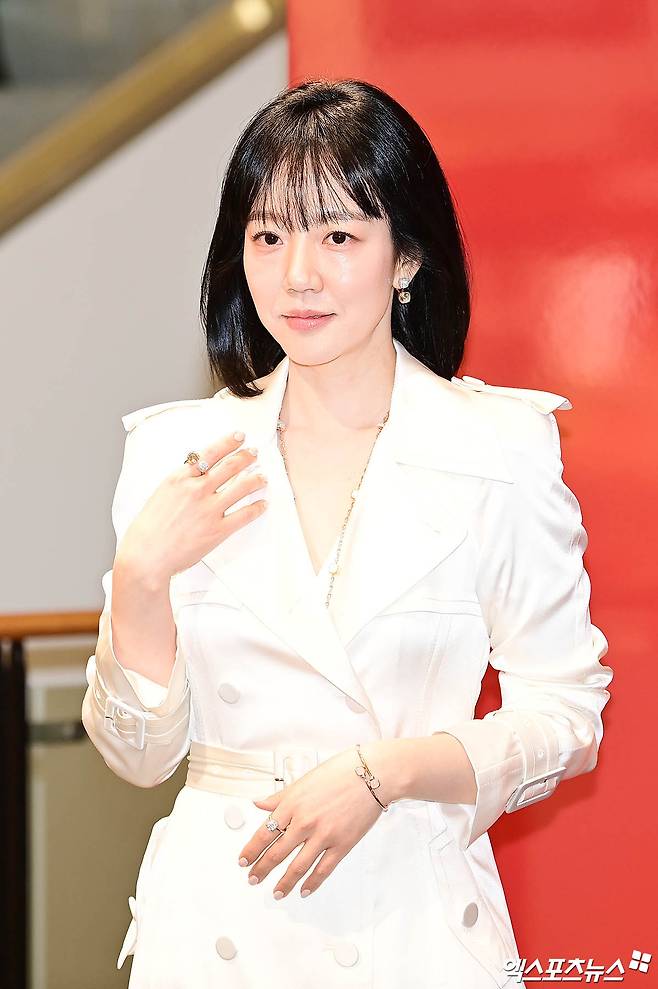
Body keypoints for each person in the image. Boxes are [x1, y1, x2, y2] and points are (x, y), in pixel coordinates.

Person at [81, 78, 613, 989]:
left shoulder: (498, 449)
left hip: (413, 922)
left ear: (406, 256)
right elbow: (138, 757)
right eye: (268, 236)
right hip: (217, 929)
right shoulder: (176, 452)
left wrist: (385, 772)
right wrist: (139, 577)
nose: (299, 274)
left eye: (337, 236)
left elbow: (566, 715)